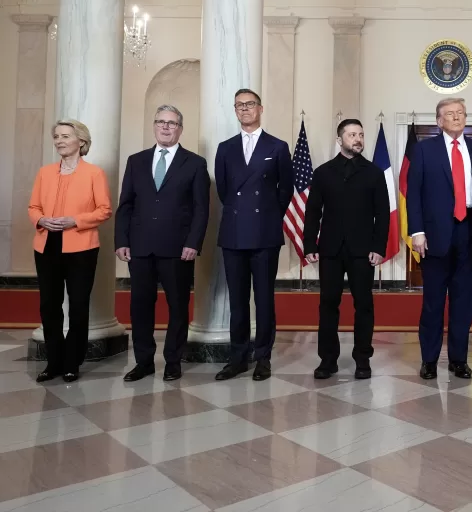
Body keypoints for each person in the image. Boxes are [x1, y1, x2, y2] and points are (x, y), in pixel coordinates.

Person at [115, 105, 210, 383]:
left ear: (180, 129)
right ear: (154, 126)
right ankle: (143, 362)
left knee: (178, 306)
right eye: (161, 122)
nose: (166, 127)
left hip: (178, 248)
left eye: (172, 123)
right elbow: (126, 204)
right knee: (140, 306)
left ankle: (173, 361)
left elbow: (201, 209)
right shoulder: (136, 161)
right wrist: (121, 240)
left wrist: (193, 242)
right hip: (140, 246)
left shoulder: (195, 163)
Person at [407, 97, 472, 380]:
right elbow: (414, 193)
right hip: (434, 236)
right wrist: (417, 231)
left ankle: (459, 359)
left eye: (461, 113)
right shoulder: (423, 150)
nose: (456, 117)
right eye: (450, 114)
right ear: (439, 121)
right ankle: (429, 360)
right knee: (433, 302)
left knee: (464, 302)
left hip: (470, 233)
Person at [213, 88, 293, 382]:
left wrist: (267, 216)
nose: (244, 109)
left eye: (249, 104)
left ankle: (263, 358)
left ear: (260, 108)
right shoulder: (225, 147)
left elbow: (285, 190)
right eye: (239, 105)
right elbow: (224, 191)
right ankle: (238, 358)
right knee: (237, 301)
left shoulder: (278, 146)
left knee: (264, 299)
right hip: (234, 232)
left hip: (264, 233)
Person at [304, 119, 390, 380]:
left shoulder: (374, 173)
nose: (358, 139)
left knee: (364, 304)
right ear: (339, 140)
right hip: (330, 249)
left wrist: (378, 247)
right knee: (328, 304)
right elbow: (313, 211)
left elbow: (382, 214)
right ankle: (327, 360)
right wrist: (310, 244)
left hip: (363, 250)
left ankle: (362, 359)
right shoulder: (323, 172)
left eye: (361, 134)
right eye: (352, 135)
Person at [28, 119, 112, 383]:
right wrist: (41, 220)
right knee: (49, 306)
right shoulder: (44, 173)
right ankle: (53, 362)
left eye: (65, 136)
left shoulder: (94, 173)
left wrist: (75, 220)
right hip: (46, 246)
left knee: (78, 305)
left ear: (81, 141)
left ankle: (72, 363)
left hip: (81, 248)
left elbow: (104, 210)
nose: (59, 141)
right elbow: (33, 207)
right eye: (56, 136)